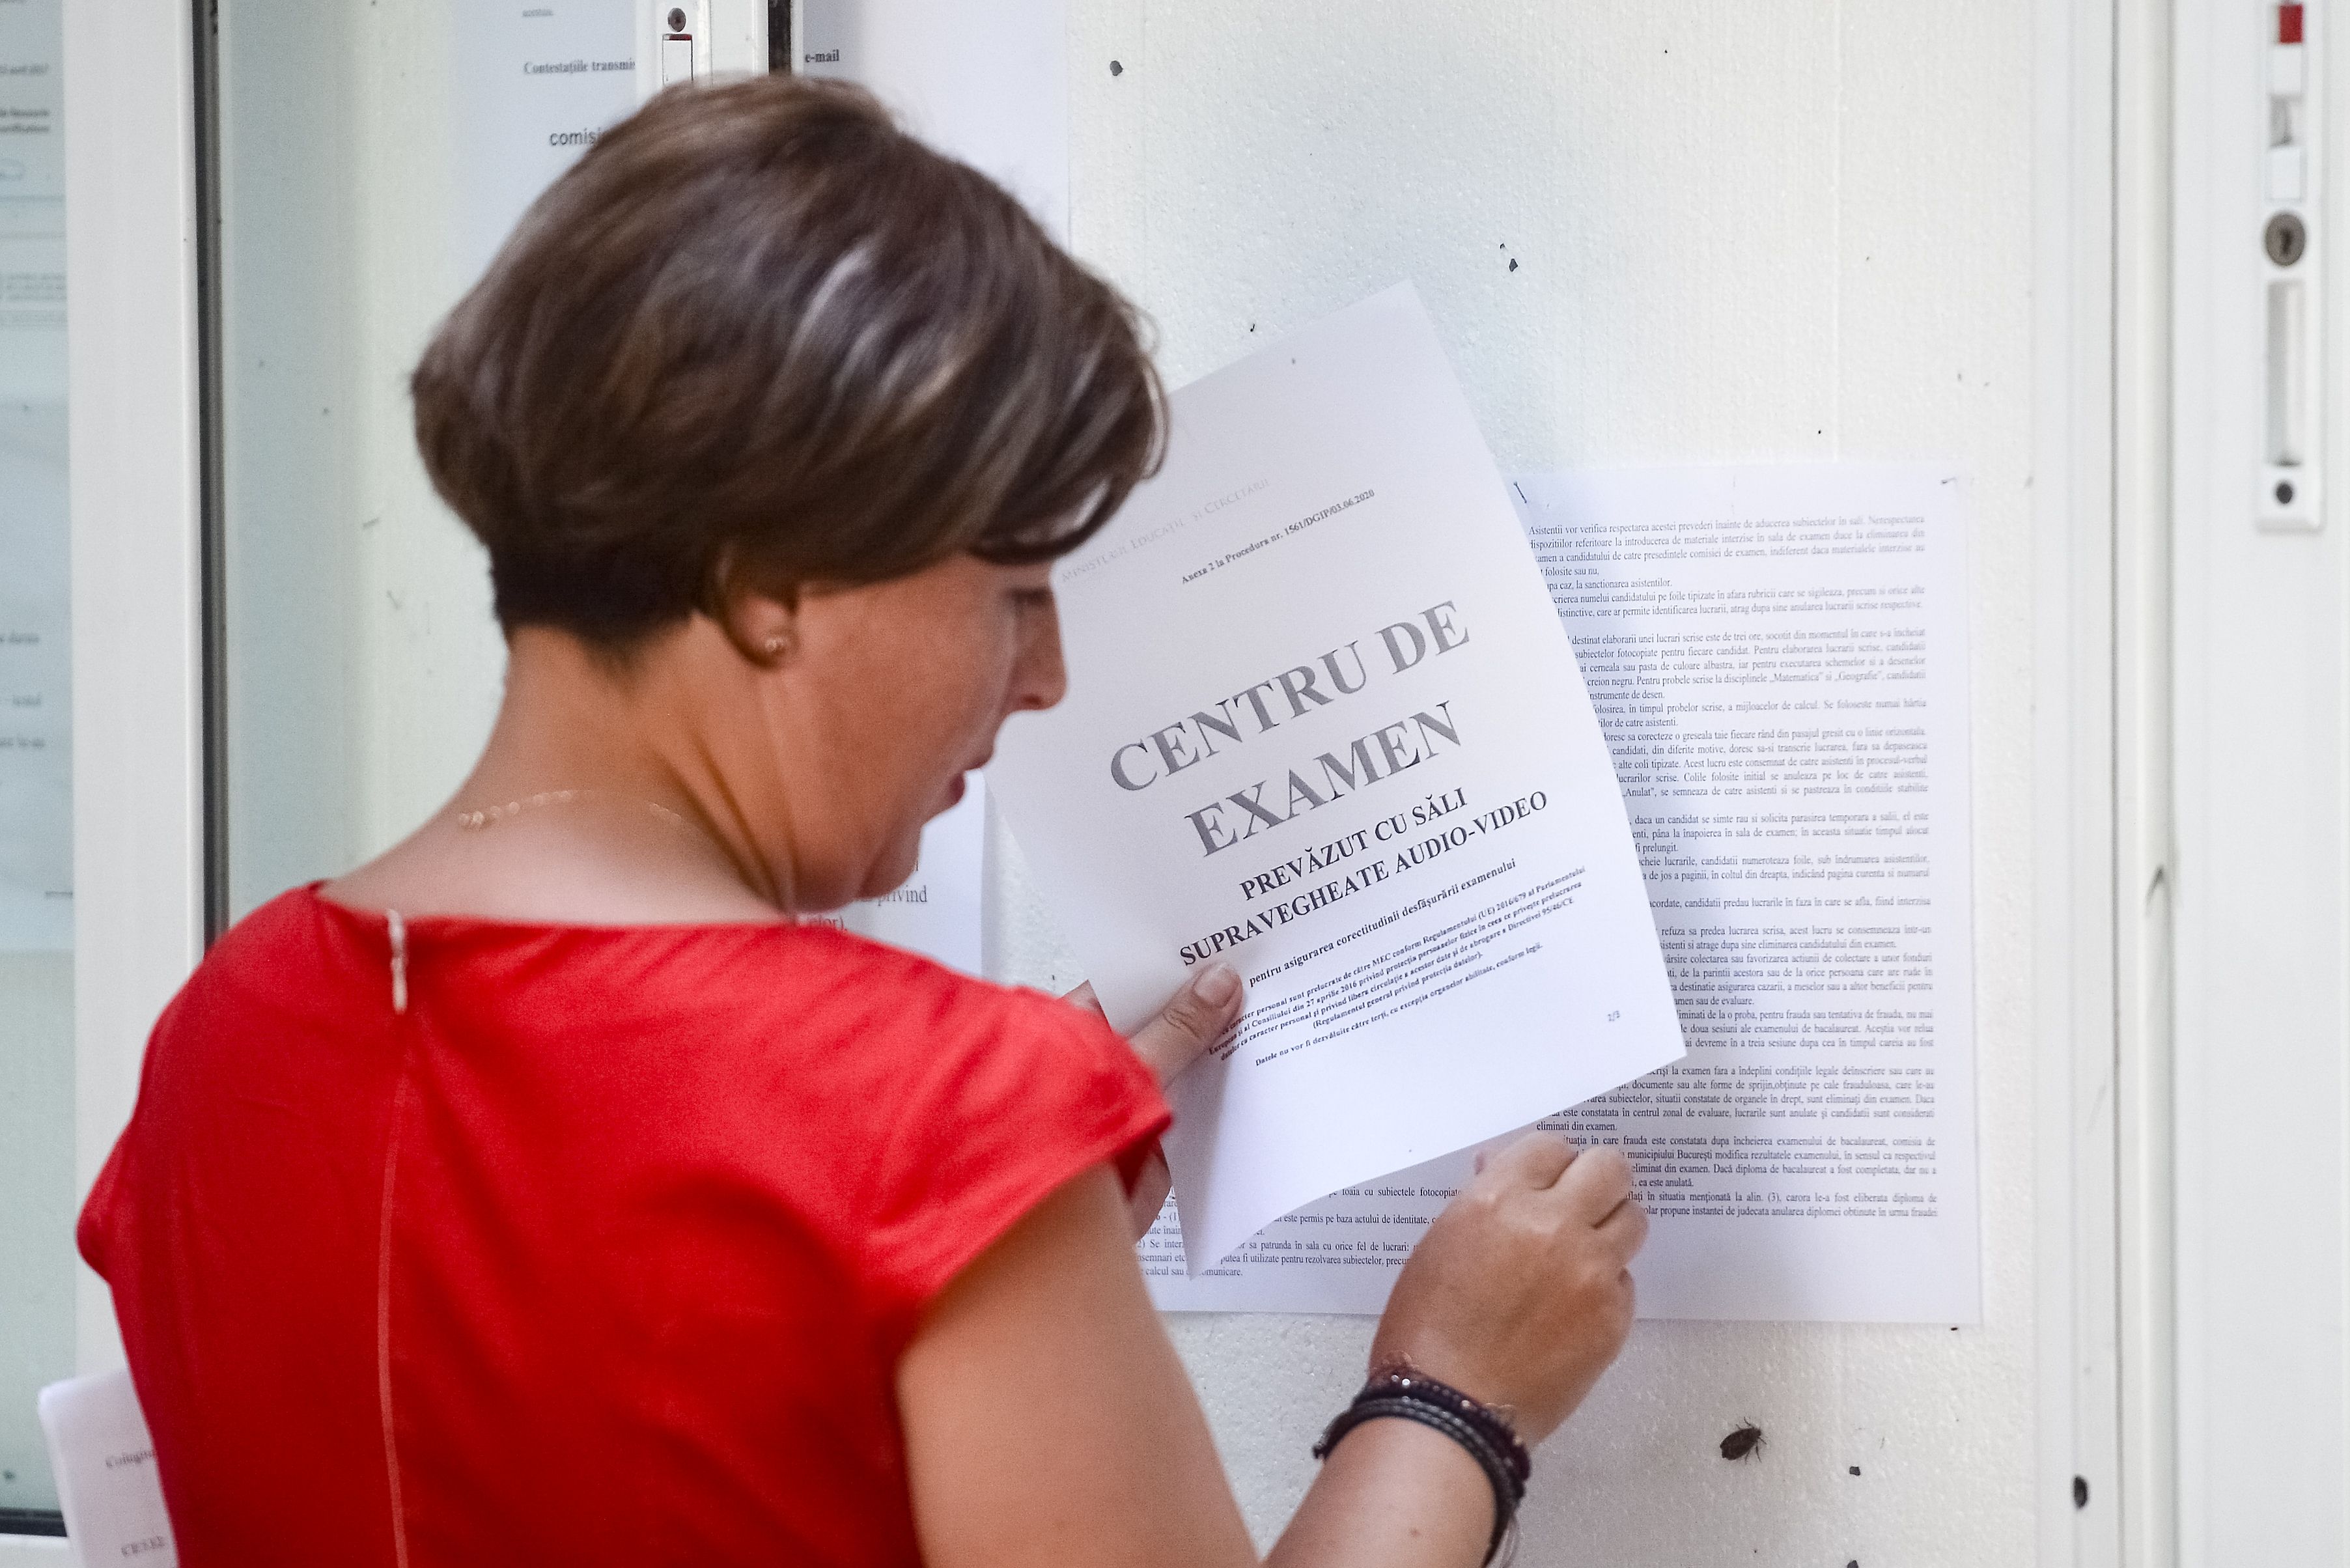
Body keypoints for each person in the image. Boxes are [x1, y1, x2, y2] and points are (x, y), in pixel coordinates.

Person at [77, 76, 1646, 1568]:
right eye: (1015, 593)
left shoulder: (228, 1024)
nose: (1045, 675)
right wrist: (1454, 1394)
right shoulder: (937, 1111)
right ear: (769, 581)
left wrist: (985, 1242)